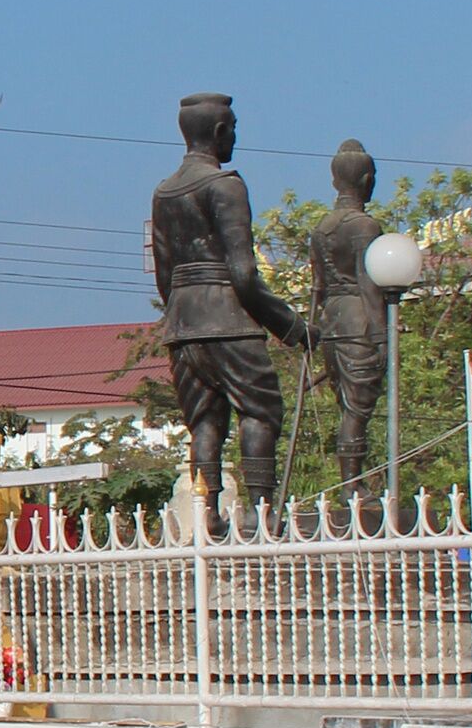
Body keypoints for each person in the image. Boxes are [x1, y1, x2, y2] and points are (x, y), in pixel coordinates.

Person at [149, 93, 312, 530]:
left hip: (183, 324)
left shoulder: (164, 192)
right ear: (220, 131)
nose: (235, 137)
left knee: (204, 420)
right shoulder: (225, 185)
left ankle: (210, 512)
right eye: (233, 128)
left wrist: (181, 317)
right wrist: (291, 326)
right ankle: (262, 510)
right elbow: (243, 273)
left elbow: (164, 273)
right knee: (260, 411)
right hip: (228, 316)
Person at [308, 139, 395, 492]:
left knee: (349, 406)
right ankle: (351, 485)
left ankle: (352, 481)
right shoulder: (364, 227)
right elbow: (368, 281)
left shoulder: (322, 229)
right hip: (359, 319)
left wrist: (312, 328)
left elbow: (316, 287)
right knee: (357, 409)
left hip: (332, 320)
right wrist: (381, 334)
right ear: (364, 178)